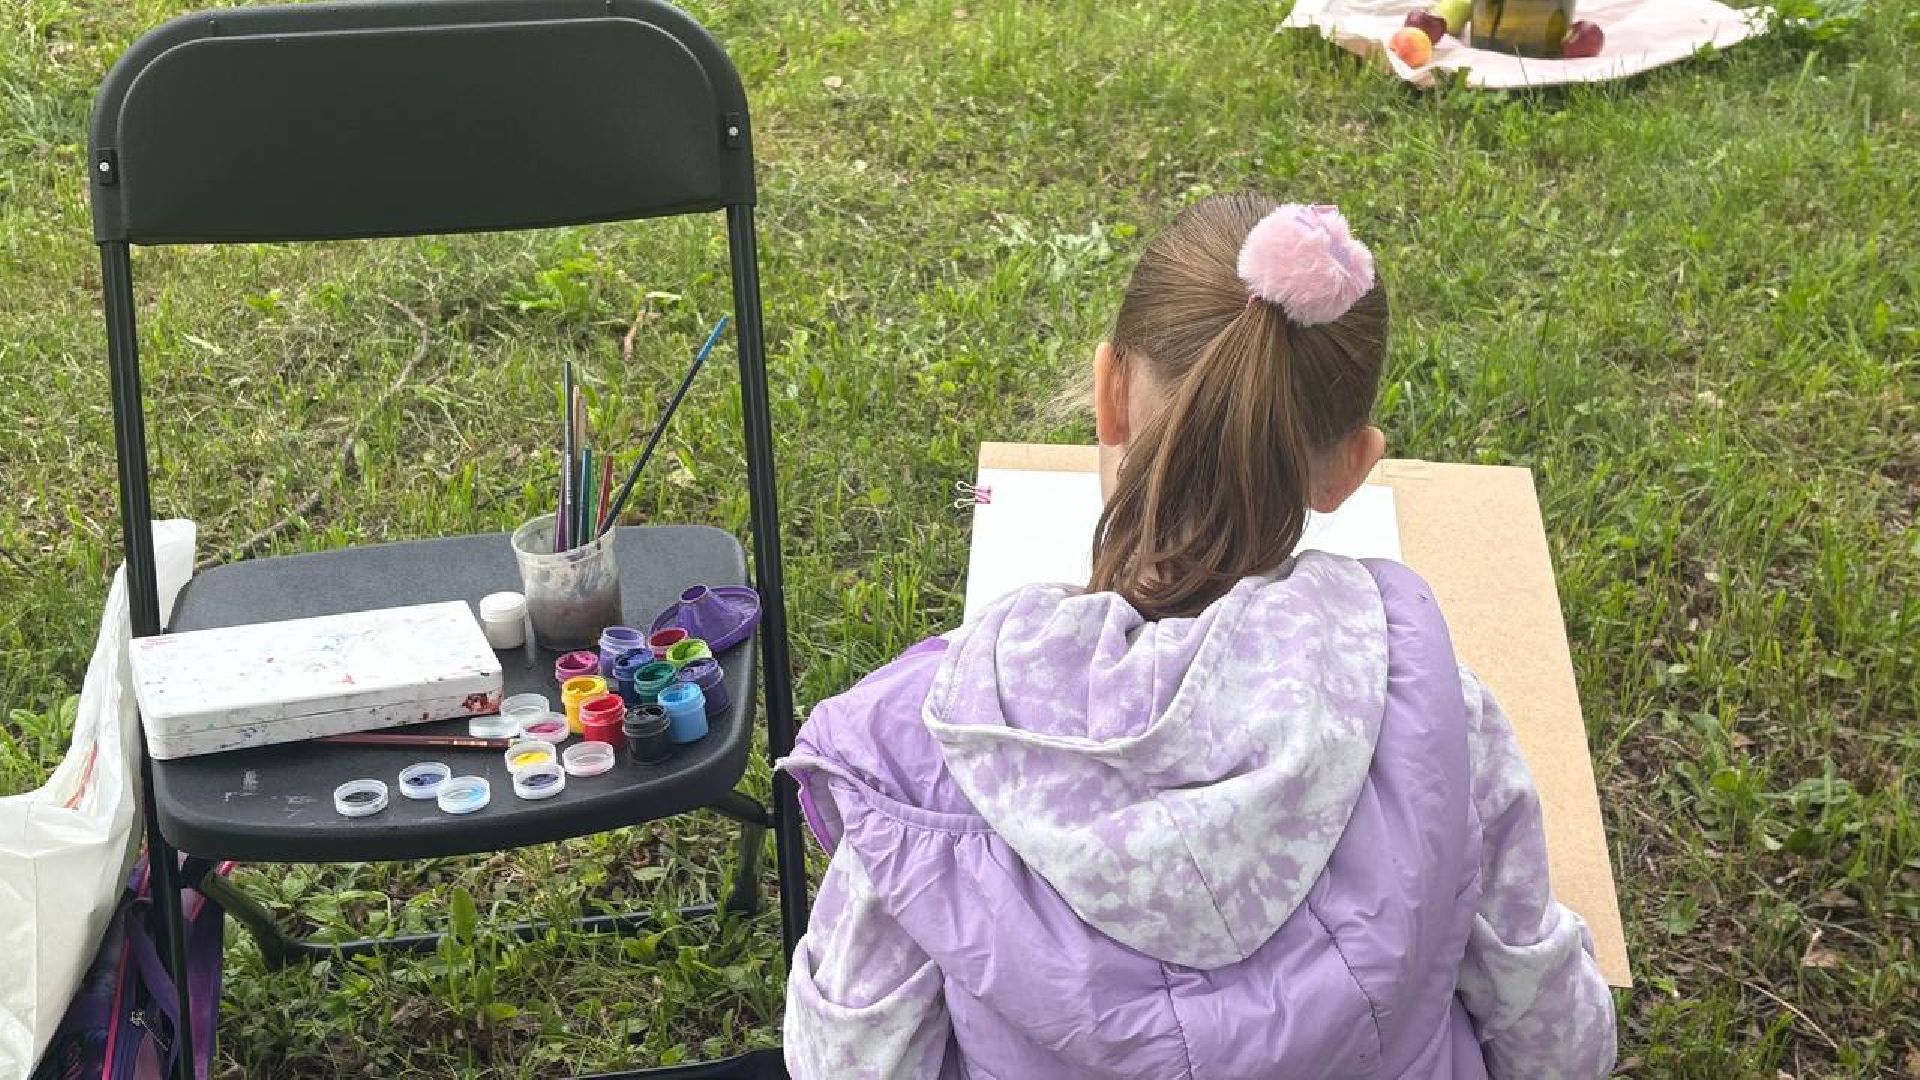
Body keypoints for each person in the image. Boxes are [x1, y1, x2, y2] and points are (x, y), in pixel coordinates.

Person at [777, 194, 1617, 1079]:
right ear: (1353, 468)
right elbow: (1558, 1047)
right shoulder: (1442, 712)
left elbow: (847, 1063)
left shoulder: (929, 742)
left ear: (1109, 393)